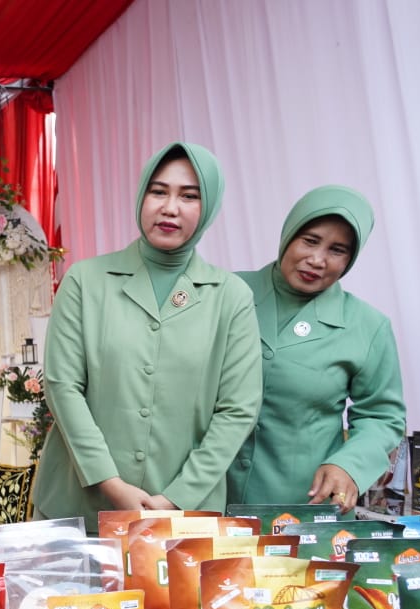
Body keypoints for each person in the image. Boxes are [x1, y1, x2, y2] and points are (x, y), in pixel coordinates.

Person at [30, 141, 263, 534]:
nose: (170, 207)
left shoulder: (231, 296)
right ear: (141, 195)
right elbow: (62, 386)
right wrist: (110, 482)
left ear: (209, 208)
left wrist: (176, 497)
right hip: (77, 504)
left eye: (189, 196)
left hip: (184, 517)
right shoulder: (86, 281)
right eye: (159, 191)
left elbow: (238, 408)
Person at [226, 185, 405, 513]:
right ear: (289, 235)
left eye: (337, 250)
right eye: (309, 240)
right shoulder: (227, 293)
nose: (317, 260)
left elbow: (382, 415)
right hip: (206, 500)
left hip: (300, 508)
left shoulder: (366, 325)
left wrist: (349, 465)